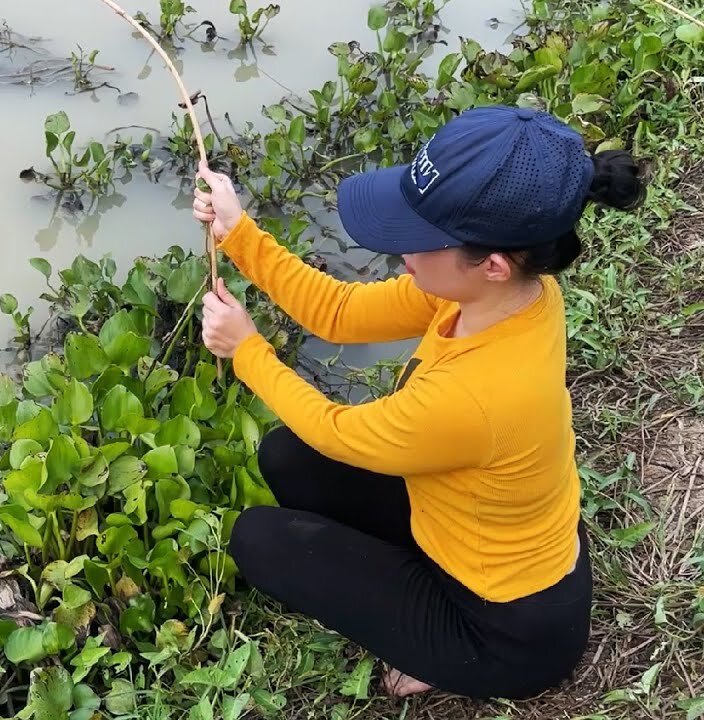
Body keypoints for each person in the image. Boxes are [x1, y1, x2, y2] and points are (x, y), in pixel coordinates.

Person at [190, 105, 647, 700]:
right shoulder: (511, 294)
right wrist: (240, 232)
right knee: (285, 456)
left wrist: (246, 350)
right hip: (477, 531)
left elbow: (338, 431)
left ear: (492, 264)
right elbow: (340, 312)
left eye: (418, 237)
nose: (399, 246)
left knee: (259, 539)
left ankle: (447, 658)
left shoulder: (475, 395)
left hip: (508, 629)